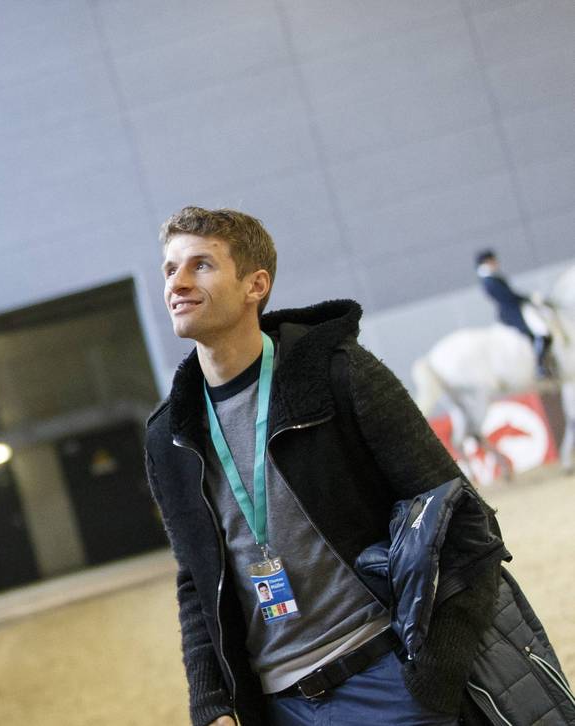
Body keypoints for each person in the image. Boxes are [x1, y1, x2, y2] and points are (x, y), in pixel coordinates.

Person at [144, 207, 502, 725]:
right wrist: (211, 705)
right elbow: (194, 582)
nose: (177, 282)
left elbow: (462, 518)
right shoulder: (168, 435)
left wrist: (433, 679)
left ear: (255, 284)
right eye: (169, 269)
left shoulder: (339, 373)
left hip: (388, 679)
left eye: (200, 265)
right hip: (278, 707)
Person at [475, 249, 556, 378]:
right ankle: (540, 365)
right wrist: (528, 299)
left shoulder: (492, 277)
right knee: (541, 331)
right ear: (488, 261)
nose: (496, 263)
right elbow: (508, 296)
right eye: (493, 260)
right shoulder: (489, 280)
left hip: (515, 307)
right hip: (513, 311)